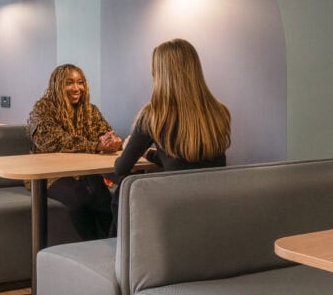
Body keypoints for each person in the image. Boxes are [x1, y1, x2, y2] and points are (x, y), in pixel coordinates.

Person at [112, 39, 231, 230]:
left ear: (159, 74)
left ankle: (116, 254)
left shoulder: (154, 115)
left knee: (122, 192)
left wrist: (129, 148)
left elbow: (121, 168)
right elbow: (187, 159)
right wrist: (149, 154)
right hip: (214, 205)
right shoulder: (219, 112)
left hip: (175, 207)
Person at [26, 64, 123, 241]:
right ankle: (87, 249)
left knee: (102, 197)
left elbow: (103, 133)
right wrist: (96, 146)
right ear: (57, 85)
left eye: (81, 82)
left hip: (83, 173)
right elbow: (55, 141)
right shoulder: (42, 110)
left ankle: (113, 247)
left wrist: (112, 141)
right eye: (69, 83)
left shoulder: (90, 110)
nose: (76, 88)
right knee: (77, 197)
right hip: (49, 175)